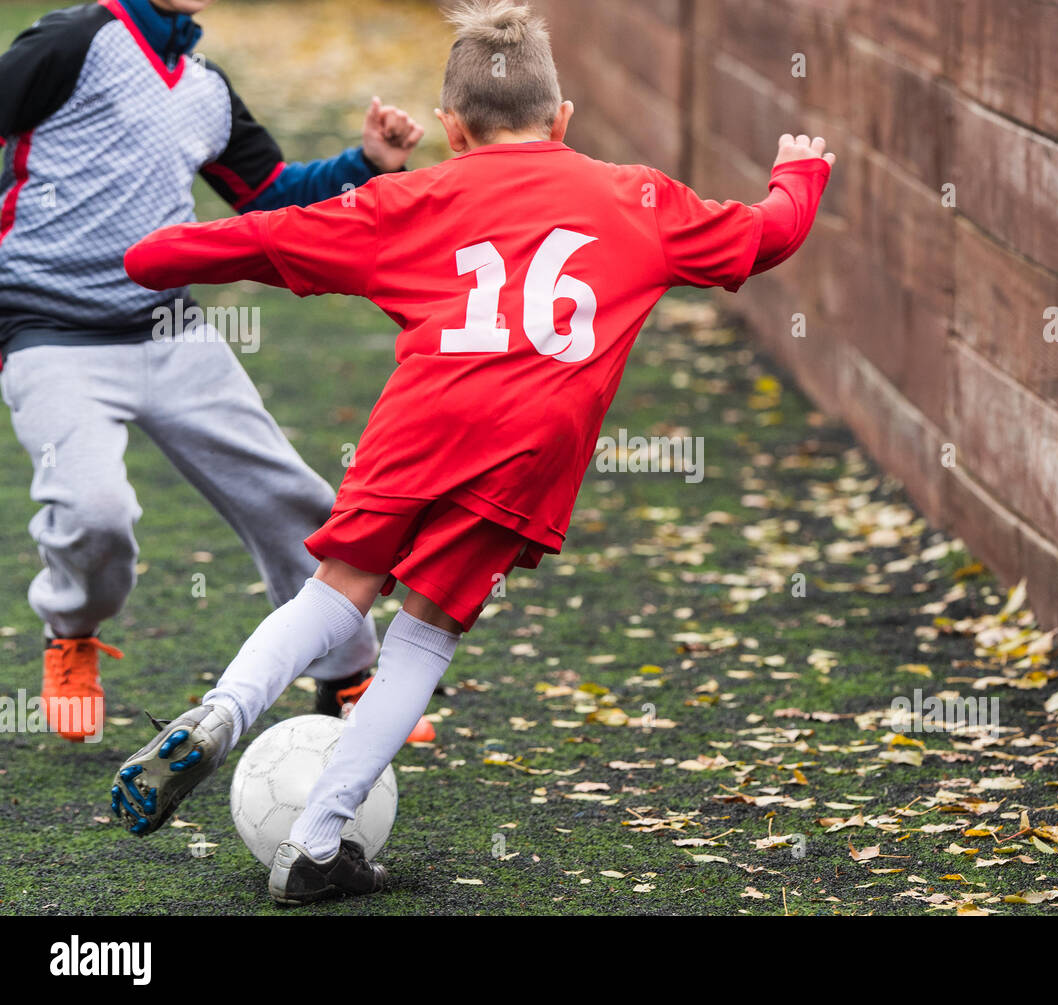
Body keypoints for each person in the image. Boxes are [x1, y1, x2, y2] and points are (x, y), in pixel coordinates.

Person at [112, 0, 834, 905]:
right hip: (529, 448)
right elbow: (766, 236)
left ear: (452, 131)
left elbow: (268, 238)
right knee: (424, 633)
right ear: (562, 119)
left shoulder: (410, 197)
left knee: (337, 590)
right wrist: (798, 175)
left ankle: (222, 711)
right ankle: (317, 838)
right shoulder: (640, 198)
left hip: (419, 423)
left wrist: (155, 255)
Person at [0, 0, 431, 743]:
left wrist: (366, 165)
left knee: (295, 502)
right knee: (93, 510)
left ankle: (345, 674)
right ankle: (71, 631)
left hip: (170, 328)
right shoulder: (72, 41)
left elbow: (272, 197)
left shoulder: (204, 88)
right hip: (49, 331)